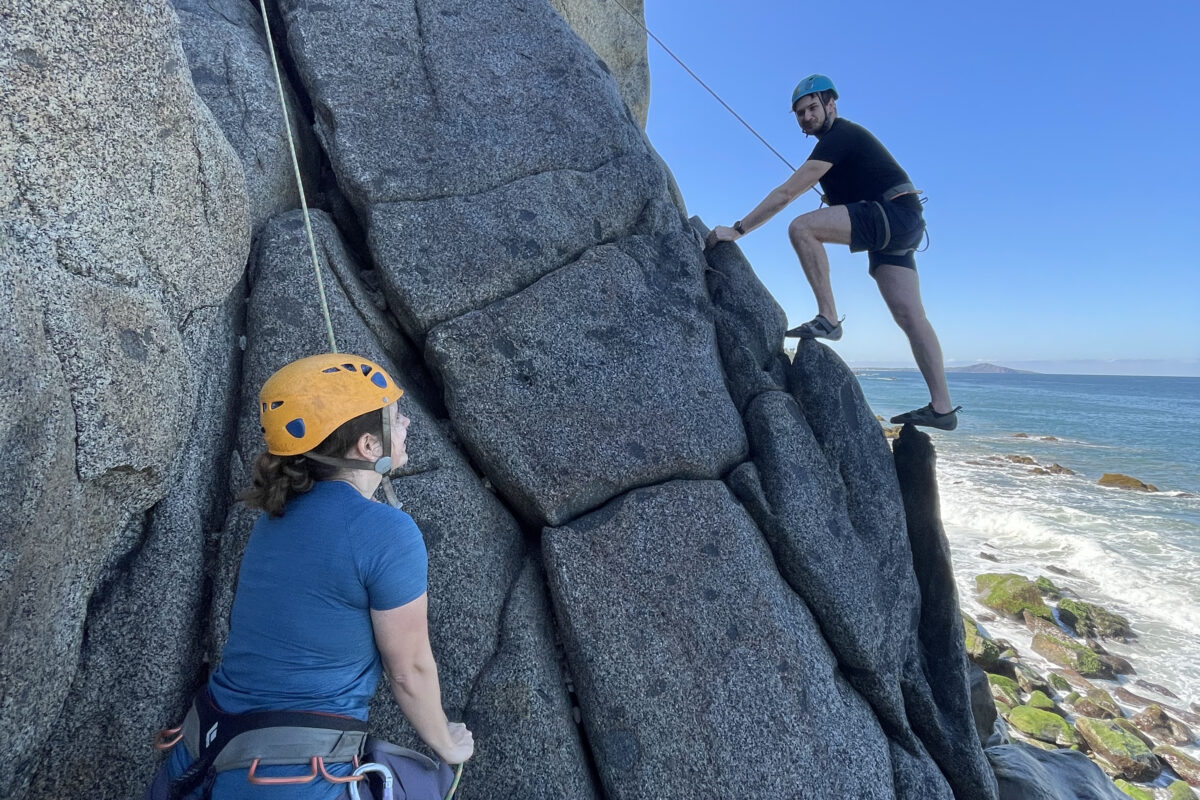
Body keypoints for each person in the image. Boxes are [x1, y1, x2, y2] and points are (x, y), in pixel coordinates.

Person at [147, 353, 473, 799]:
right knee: (427, 781)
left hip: (195, 760)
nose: (408, 423)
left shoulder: (276, 515)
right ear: (368, 447)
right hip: (288, 779)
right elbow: (409, 670)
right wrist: (445, 742)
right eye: (395, 418)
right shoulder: (387, 532)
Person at [706, 74, 961, 430]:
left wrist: (738, 229)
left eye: (812, 107)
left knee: (802, 227)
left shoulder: (842, 134)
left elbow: (786, 194)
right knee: (910, 317)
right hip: (901, 224)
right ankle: (943, 408)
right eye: (799, 113)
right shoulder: (836, 145)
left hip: (893, 215)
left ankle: (828, 318)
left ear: (831, 105)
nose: (807, 116)